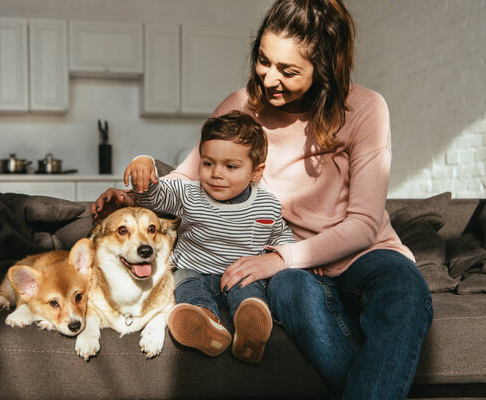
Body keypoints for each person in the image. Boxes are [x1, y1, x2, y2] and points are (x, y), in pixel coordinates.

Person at [91, 0, 433, 398]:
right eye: (264, 62)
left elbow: (364, 224)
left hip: (359, 255)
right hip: (292, 268)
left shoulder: (365, 108)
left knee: (405, 288)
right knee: (291, 291)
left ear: (324, 69)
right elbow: (188, 180)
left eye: (288, 70)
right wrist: (136, 193)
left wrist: (280, 259)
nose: (270, 79)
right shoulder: (241, 106)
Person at [125, 110, 295, 363]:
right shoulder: (188, 194)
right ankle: (205, 322)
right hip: (193, 270)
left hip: (239, 274)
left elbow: (281, 236)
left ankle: (250, 327)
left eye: (230, 166)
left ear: (256, 172)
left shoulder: (267, 204)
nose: (216, 173)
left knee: (249, 291)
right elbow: (153, 198)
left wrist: (290, 254)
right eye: (208, 163)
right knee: (184, 282)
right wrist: (144, 163)